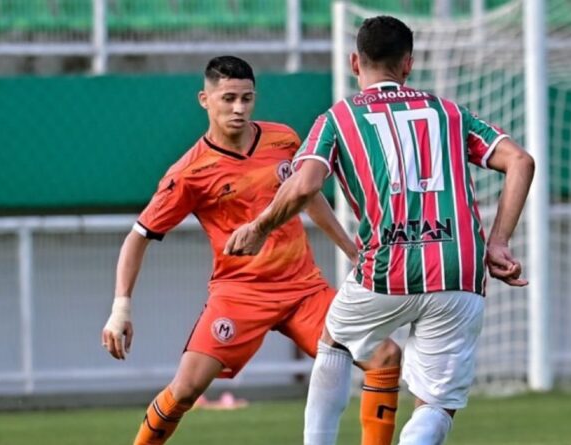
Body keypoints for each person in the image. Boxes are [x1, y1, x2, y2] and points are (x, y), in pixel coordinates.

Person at [225, 16, 535, 445]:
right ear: (408, 64)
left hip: (388, 266)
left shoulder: (338, 118)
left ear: (355, 62)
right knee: (435, 404)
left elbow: (305, 184)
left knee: (334, 344)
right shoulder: (448, 112)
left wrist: (260, 227)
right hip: (459, 268)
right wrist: (498, 241)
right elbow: (520, 161)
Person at [101, 55, 401, 445]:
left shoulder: (283, 139)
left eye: (246, 98)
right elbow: (138, 236)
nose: (239, 108)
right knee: (186, 390)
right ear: (205, 100)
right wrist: (120, 308)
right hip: (240, 295)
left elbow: (306, 195)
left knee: (385, 357)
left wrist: (351, 250)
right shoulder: (189, 173)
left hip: (303, 291)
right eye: (228, 99)